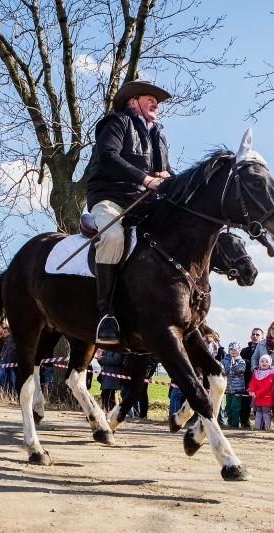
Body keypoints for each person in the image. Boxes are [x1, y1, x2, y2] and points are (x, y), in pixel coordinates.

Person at [86, 80, 173, 344]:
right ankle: (105, 315)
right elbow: (109, 157)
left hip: (143, 202)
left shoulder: (159, 135)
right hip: (109, 198)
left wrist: (169, 178)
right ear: (133, 102)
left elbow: (165, 172)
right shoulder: (117, 123)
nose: (156, 103)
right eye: (150, 98)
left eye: (157, 100)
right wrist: (146, 179)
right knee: (112, 237)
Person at [253, 320, 274, 430]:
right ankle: (261, 428)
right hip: (261, 378)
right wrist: (254, 369)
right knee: (261, 406)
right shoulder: (261, 343)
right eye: (273, 328)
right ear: (269, 330)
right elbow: (255, 357)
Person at [239, 327, 264, 428]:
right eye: (253, 334)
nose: (255, 336)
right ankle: (244, 422)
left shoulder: (264, 349)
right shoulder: (245, 351)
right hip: (247, 380)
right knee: (245, 402)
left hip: (261, 380)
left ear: (262, 337)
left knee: (259, 402)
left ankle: (260, 424)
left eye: (257, 335)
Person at [248, 354, 274, 430]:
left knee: (266, 414)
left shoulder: (271, 374)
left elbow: (267, 387)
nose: (264, 363)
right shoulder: (256, 373)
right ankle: (257, 428)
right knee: (258, 413)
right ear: (259, 363)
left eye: (266, 361)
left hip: (266, 398)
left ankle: (267, 429)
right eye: (262, 361)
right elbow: (252, 383)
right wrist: (251, 390)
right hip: (257, 398)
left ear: (269, 364)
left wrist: (256, 393)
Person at [222, 342, 246, 428]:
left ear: (238, 350)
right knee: (228, 407)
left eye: (235, 349)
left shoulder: (241, 361)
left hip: (237, 389)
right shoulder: (224, 360)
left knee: (235, 407)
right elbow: (222, 372)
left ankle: (234, 424)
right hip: (227, 388)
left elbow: (240, 371)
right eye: (231, 349)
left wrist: (234, 364)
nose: (233, 351)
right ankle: (229, 422)